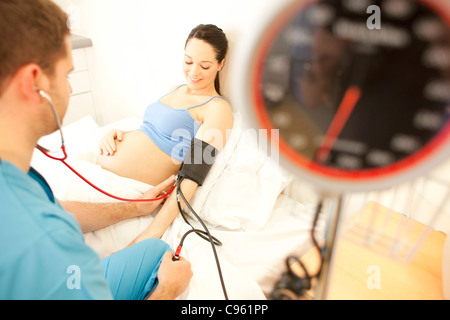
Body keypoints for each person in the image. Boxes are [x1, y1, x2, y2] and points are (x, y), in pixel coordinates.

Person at [0, 0, 192, 300]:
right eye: (66, 75)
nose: (70, 90)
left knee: (154, 250)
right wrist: (169, 288)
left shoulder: (16, 175)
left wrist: (135, 208)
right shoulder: (42, 238)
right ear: (33, 83)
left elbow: (56, 209)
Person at [96, 24, 234, 243]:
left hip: (130, 194)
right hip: (101, 175)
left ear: (220, 64)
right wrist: (119, 134)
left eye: (204, 66)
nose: (194, 72)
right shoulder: (175, 89)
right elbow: (150, 132)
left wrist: (152, 232)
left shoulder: (217, 108)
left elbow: (192, 175)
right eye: (188, 61)